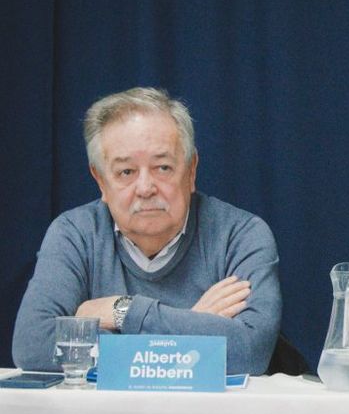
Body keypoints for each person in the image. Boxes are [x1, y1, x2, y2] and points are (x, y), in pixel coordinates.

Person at [12, 87, 281, 375]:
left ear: (191, 170)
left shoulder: (240, 235)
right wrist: (192, 324)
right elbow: (33, 344)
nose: (145, 188)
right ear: (101, 181)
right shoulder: (74, 233)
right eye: (126, 172)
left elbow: (249, 351)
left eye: (162, 167)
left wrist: (123, 310)